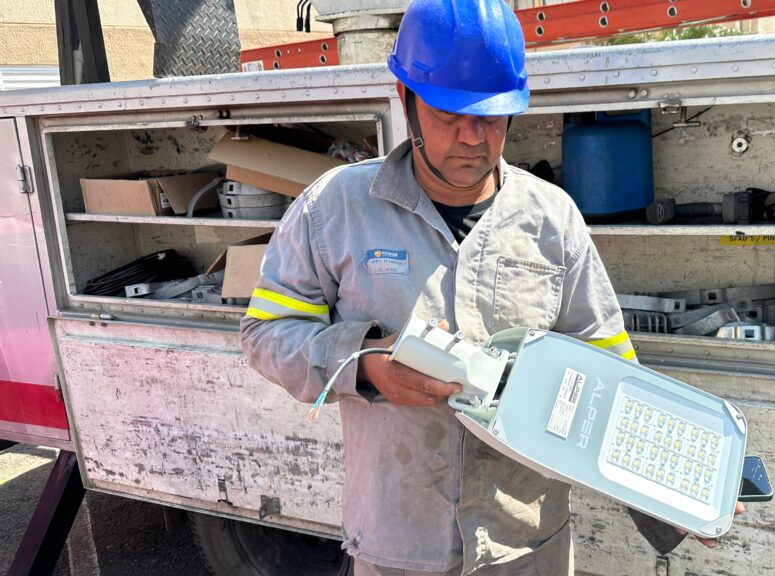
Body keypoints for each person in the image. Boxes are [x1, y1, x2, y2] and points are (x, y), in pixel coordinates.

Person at [241, 0, 740, 574]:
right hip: (399, 542)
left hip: (525, 544)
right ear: (406, 103)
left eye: (492, 116)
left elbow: (611, 373)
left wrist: (672, 499)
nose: (473, 137)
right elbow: (265, 334)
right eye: (450, 114)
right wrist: (367, 364)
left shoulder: (551, 218)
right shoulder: (335, 208)